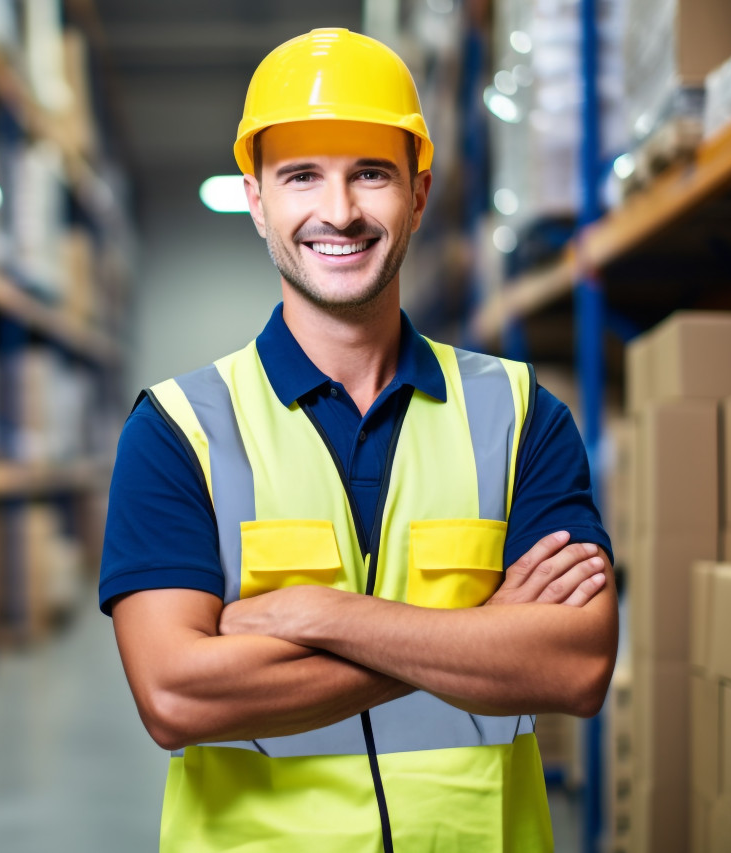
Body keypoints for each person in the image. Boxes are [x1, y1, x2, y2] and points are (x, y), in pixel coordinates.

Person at [100, 28, 618, 852]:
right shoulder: (177, 431)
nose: (337, 212)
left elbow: (576, 668)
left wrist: (323, 613)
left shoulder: (520, 414)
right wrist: (478, 634)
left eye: (369, 174)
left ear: (417, 194)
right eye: (301, 176)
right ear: (257, 199)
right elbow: (175, 697)